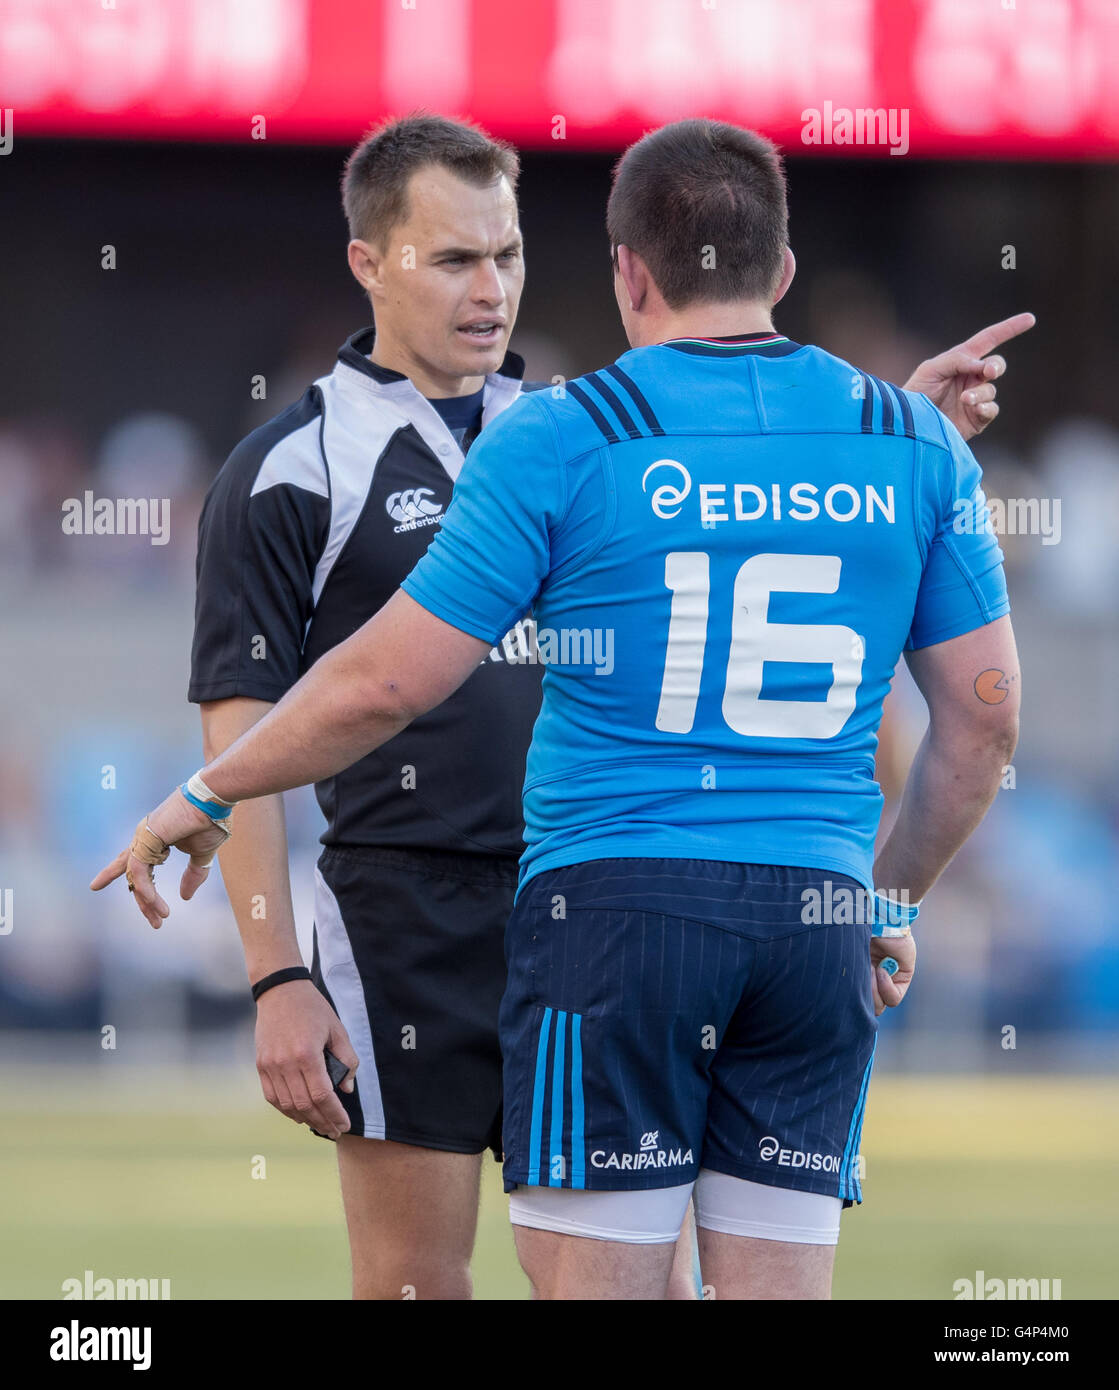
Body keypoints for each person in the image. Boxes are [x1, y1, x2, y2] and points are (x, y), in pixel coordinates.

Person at [94, 118, 1027, 1301]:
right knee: (418, 1285)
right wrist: (279, 972)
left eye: (510, 254)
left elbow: (405, 666)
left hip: (601, 911)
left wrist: (887, 420)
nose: (490, 289)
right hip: (433, 916)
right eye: (454, 259)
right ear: (368, 264)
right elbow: (251, 737)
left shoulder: (561, 428)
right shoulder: (294, 470)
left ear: (617, 268)